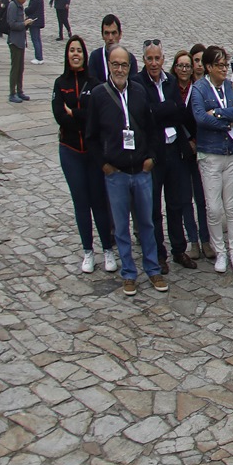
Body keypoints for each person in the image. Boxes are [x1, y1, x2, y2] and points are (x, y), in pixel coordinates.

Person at [83, 47, 167, 294]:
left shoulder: (139, 92)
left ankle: (152, 269)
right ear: (109, 65)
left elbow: (152, 129)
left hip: (140, 170)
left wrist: (151, 157)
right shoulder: (99, 95)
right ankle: (128, 272)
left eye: (124, 65)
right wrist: (104, 165)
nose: (120, 69)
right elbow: (91, 136)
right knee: (121, 227)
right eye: (115, 64)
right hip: (116, 173)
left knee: (147, 224)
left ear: (130, 68)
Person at [53, 34, 116, 272]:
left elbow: (96, 117)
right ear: (67, 55)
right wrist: (79, 116)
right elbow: (59, 115)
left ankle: (108, 249)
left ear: (84, 54)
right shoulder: (60, 84)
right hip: (70, 149)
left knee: (99, 200)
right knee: (81, 201)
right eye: (72, 50)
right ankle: (88, 251)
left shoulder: (94, 85)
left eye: (79, 50)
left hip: (92, 151)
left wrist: (75, 114)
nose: (75, 54)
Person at [189, 45, 233, 275]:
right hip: (210, 154)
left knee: (232, 206)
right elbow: (199, 118)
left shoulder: (232, 86)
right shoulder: (199, 89)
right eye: (220, 65)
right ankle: (220, 251)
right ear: (208, 67)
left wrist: (215, 113)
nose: (225, 69)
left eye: (226, 65)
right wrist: (225, 121)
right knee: (214, 208)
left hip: (232, 152)